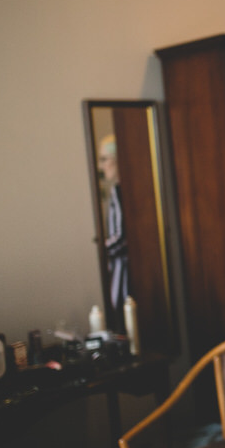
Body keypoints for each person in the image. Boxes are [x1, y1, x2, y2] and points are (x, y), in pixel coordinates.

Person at [99, 134, 128, 325]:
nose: (101, 166)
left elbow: (122, 236)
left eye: (104, 159)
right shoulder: (116, 190)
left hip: (123, 271)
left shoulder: (119, 191)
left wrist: (101, 249)